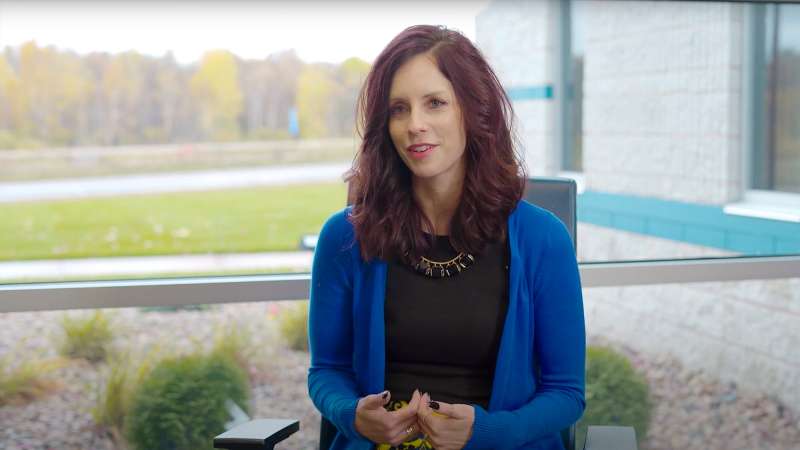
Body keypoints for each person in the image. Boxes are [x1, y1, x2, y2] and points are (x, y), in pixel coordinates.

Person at [308, 25, 585, 450]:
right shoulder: (344, 238)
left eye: (435, 103)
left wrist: (486, 432)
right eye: (399, 109)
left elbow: (566, 392)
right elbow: (326, 371)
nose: (415, 125)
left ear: (473, 112)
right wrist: (354, 416)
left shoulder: (543, 239)